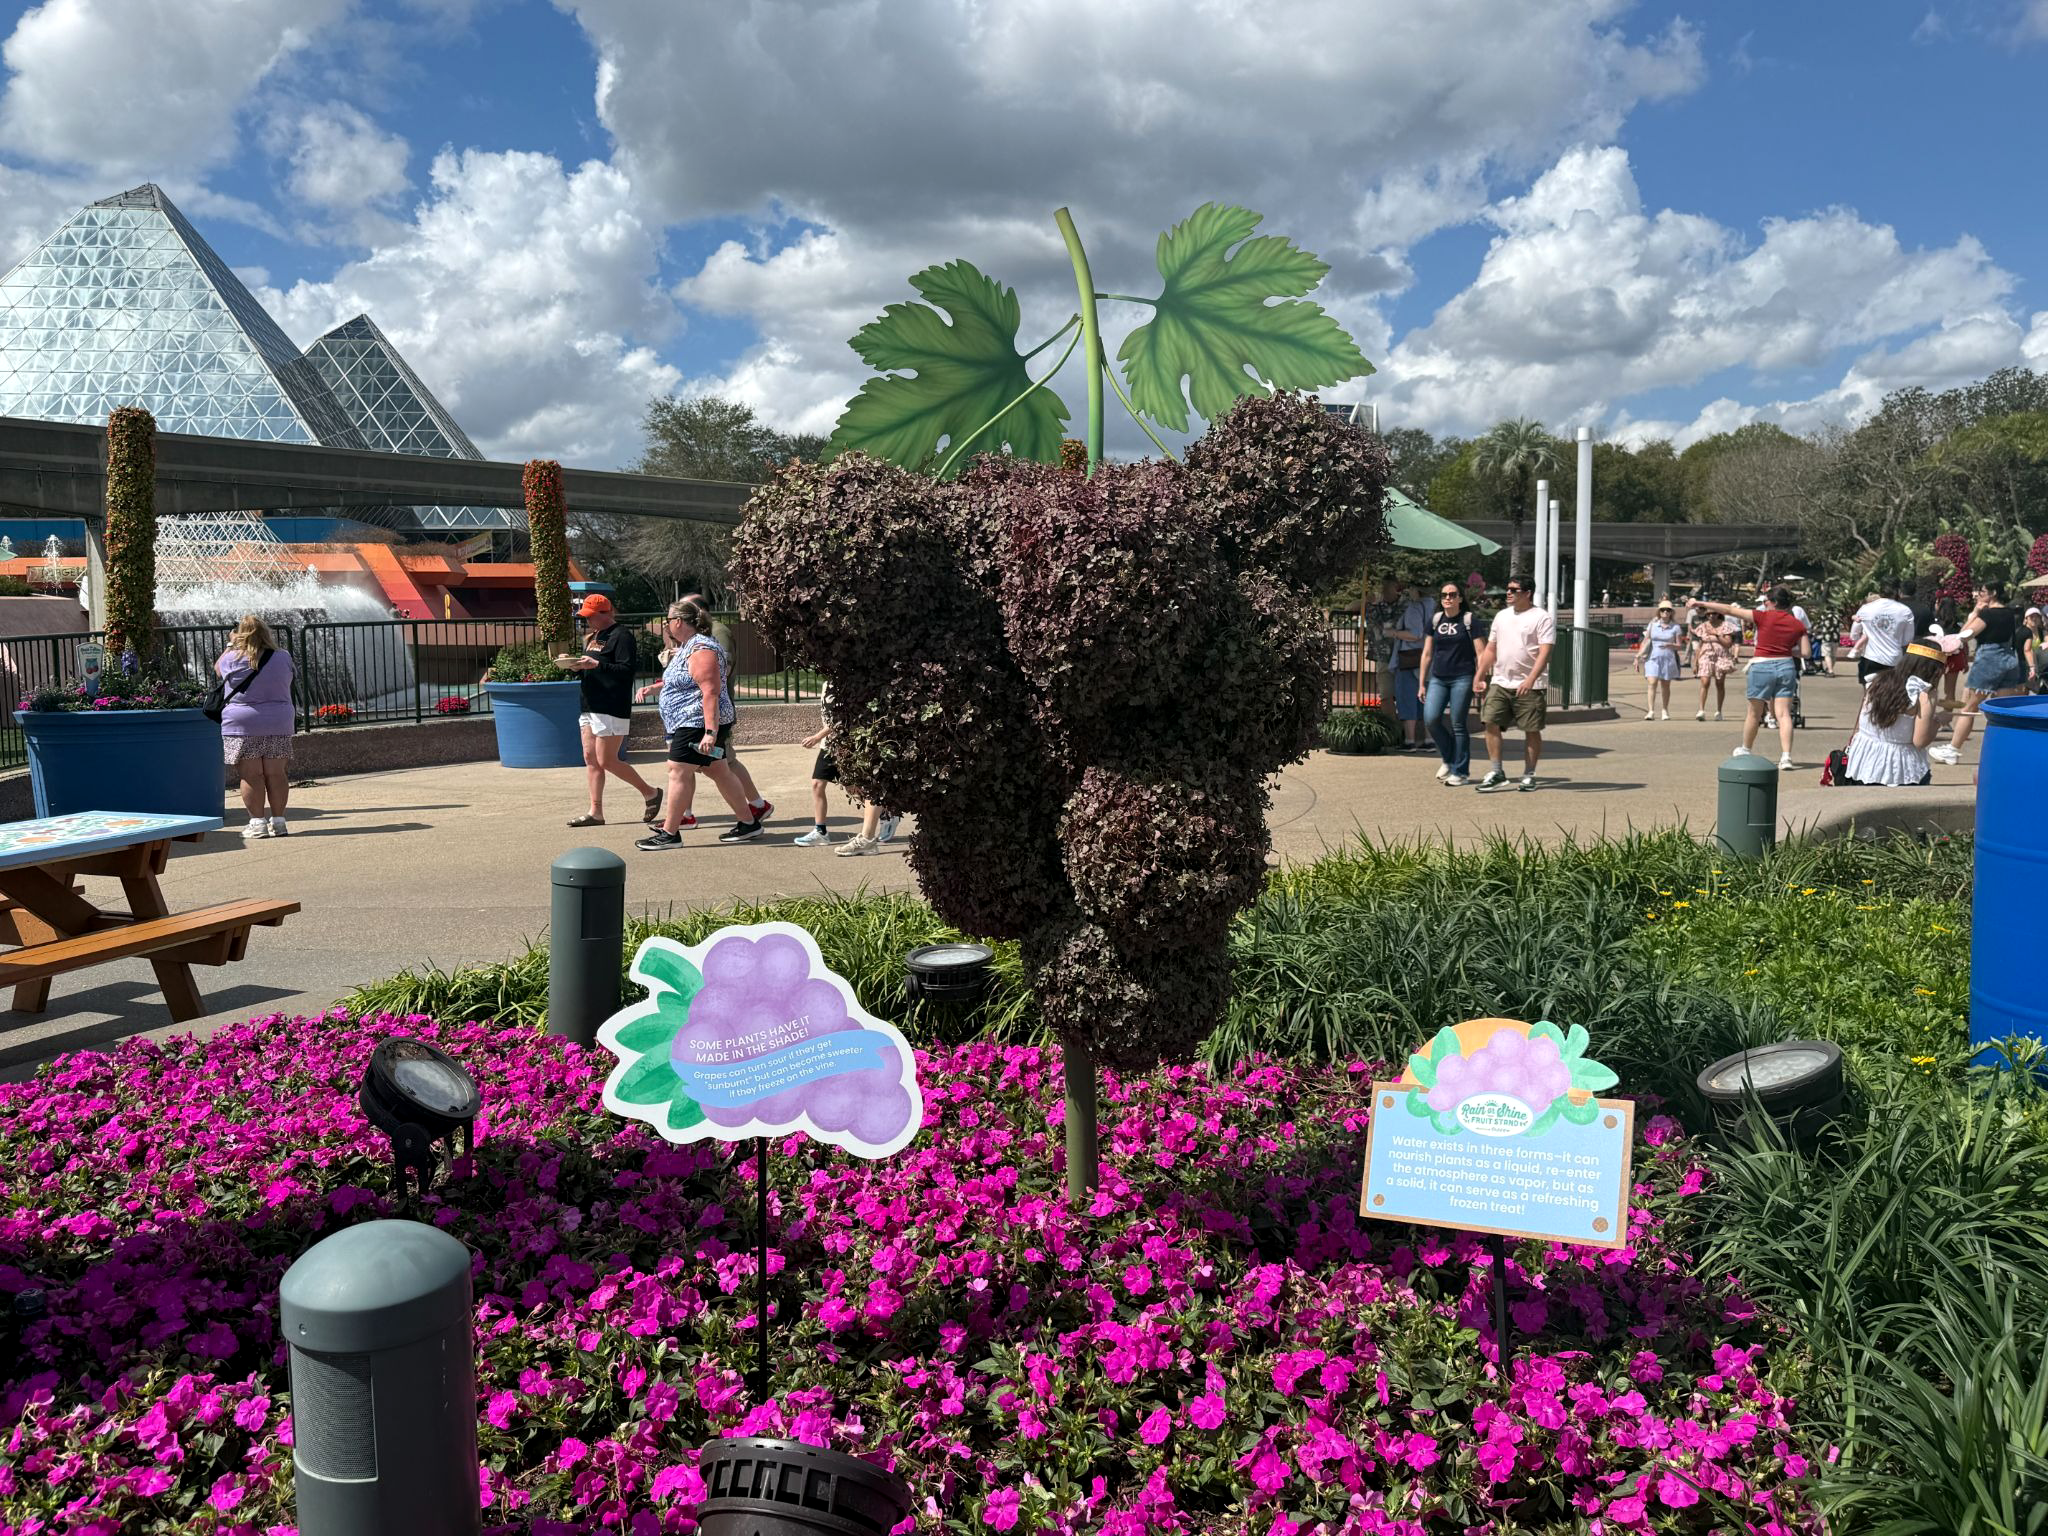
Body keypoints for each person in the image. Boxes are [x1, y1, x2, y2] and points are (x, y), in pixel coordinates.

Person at [633, 598, 762, 850]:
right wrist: (656, 688)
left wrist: (710, 733)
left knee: (678, 770)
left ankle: (670, 833)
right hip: (690, 721)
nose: (666, 625)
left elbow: (710, 692)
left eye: (668, 620)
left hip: (697, 723)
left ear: (679, 622)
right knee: (718, 770)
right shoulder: (688, 646)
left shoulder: (702, 649)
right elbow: (686, 680)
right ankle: (749, 823)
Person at [557, 594, 662, 828]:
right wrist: (576, 666)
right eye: (586, 617)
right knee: (591, 758)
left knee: (607, 760)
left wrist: (596, 664)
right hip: (590, 704)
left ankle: (650, 792)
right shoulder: (594, 636)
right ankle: (596, 812)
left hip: (611, 705)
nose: (588, 621)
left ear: (606, 613)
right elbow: (593, 667)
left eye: (591, 616)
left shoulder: (621, 636)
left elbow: (626, 670)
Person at [1694, 587, 1806, 770]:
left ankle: (1746, 748)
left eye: (1766, 601)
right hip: (1786, 665)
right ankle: (1786, 756)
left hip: (1762, 665)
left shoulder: (1762, 616)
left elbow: (1729, 609)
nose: (1764, 604)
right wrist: (1787, 651)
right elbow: (1806, 652)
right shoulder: (1797, 624)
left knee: (1754, 712)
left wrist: (1701, 603)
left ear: (1774, 603)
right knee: (1783, 714)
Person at [217, 614, 297, 839]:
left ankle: (257, 823)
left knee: (251, 775)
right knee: (277, 774)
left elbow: (218, 670)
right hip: (278, 722)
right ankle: (279, 823)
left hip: (243, 724)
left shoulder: (231, 657)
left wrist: (231, 644)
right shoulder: (283, 656)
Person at [1931, 580, 2027, 765]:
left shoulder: (1987, 614)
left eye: (1982, 591)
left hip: (1989, 659)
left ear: (1993, 593)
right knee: (2002, 708)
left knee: (1970, 707)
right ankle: (2006, 750)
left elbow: (1964, 635)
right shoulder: (2009, 613)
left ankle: (1953, 749)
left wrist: (1975, 612)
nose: (1979, 594)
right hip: (2009, 659)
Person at [1472, 577, 1555, 791]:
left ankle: (1529, 774)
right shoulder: (1501, 616)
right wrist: (1480, 674)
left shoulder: (1542, 617)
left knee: (1531, 729)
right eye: (1507, 589)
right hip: (1500, 681)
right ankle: (1497, 771)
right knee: (1490, 721)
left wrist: (1530, 679)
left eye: (1513, 590)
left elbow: (1545, 653)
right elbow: (1491, 648)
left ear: (1527, 593)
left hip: (1530, 685)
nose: (1508, 593)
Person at [1840, 641, 1946, 787]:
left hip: (1864, 760)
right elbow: (1920, 741)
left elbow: (1863, 720)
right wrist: (1938, 722)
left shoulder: (1878, 681)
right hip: (1899, 767)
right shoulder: (1924, 694)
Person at [1417, 579, 1480, 785]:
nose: (1448, 598)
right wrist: (1422, 683)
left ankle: (1460, 772)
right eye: (1444, 595)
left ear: (1460, 598)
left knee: (1458, 724)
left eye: (1452, 595)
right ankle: (1449, 757)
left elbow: (1481, 653)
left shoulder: (1469, 620)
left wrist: (1480, 678)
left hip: (1463, 677)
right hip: (1438, 678)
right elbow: (1427, 653)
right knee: (1431, 719)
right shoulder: (1435, 620)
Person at [1850, 583, 1915, 683]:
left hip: (1871, 657)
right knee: (1890, 689)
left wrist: (1863, 640)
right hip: (1894, 658)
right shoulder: (1905, 611)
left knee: (1869, 688)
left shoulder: (1866, 609)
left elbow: (1854, 634)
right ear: (1897, 592)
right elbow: (1907, 639)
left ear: (1880, 592)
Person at [1687, 604, 1741, 720]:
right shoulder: (1703, 626)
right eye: (1709, 614)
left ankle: (1719, 711)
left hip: (1721, 656)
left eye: (1714, 613)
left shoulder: (1725, 626)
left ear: (1718, 614)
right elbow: (1699, 645)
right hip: (1706, 655)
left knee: (1719, 683)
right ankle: (1701, 710)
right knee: (1705, 681)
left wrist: (1717, 635)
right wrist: (1695, 662)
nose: (1711, 616)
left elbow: (1728, 644)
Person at [1633, 601, 1683, 720]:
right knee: (1652, 682)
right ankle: (1651, 711)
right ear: (1659, 612)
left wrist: (1671, 645)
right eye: (1662, 610)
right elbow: (1646, 641)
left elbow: (1679, 646)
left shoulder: (1675, 627)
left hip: (1668, 658)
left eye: (1668, 610)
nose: (1665, 612)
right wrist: (1637, 656)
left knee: (1665, 685)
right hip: (1653, 658)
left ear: (1671, 612)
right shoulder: (1653, 625)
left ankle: (1665, 710)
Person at [2025, 606, 2047, 694]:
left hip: (2038, 664)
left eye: (2037, 616)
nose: (2034, 619)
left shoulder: (2042, 632)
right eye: (2031, 617)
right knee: (2024, 690)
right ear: (2026, 619)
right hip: (2026, 663)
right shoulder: (2022, 632)